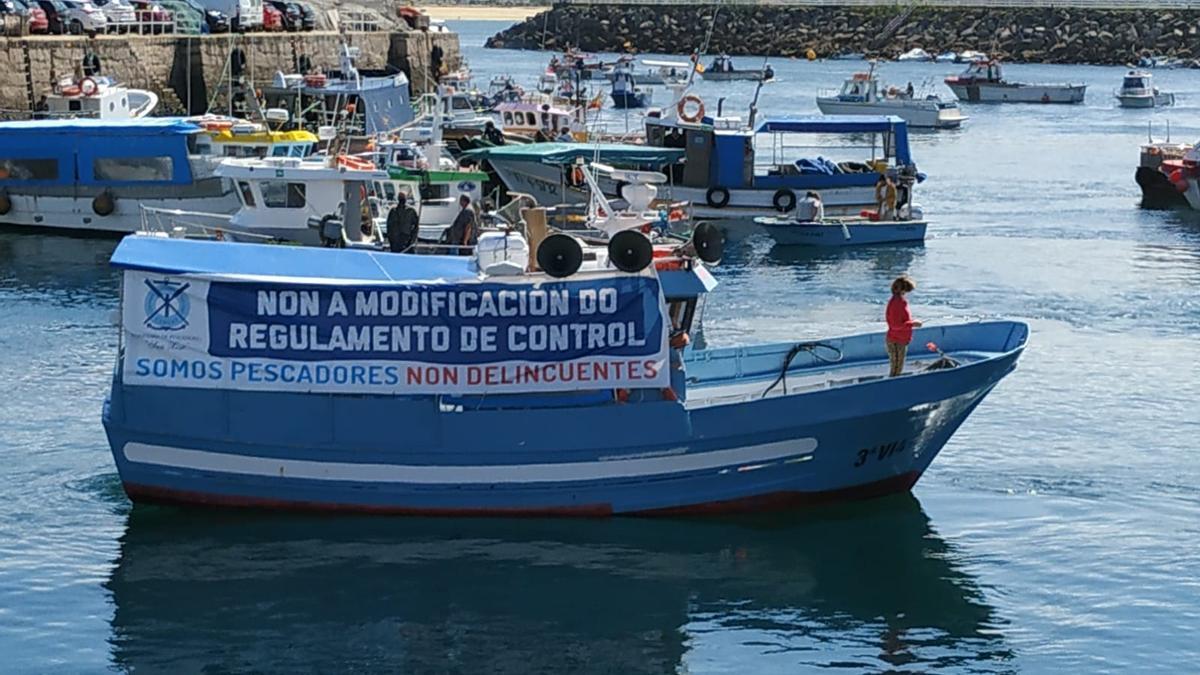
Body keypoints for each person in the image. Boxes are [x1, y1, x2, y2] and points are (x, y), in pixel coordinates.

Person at [885, 275, 923, 377]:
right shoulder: (897, 303)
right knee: (896, 368)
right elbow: (895, 325)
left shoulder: (900, 301)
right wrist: (913, 323)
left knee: (898, 366)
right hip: (896, 340)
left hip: (901, 339)